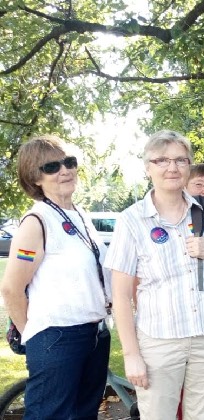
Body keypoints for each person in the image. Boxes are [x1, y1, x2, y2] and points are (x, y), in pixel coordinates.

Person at [105, 130, 204, 419]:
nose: (172, 167)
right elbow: (120, 295)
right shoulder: (132, 220)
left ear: (188, 165)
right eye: (162, 160)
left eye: (180, 160)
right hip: (159, 341)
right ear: (148, 167)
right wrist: (131, 355)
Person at [0, 135, 111, 419]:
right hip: (57, 337)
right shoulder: (36, 222)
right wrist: (34, 337)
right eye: (51, 167)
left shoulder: (79, 215)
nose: (64, 170)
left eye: (69, 162)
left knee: (85, 414)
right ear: (35, 178)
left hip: (95, 333)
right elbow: (12, 288)